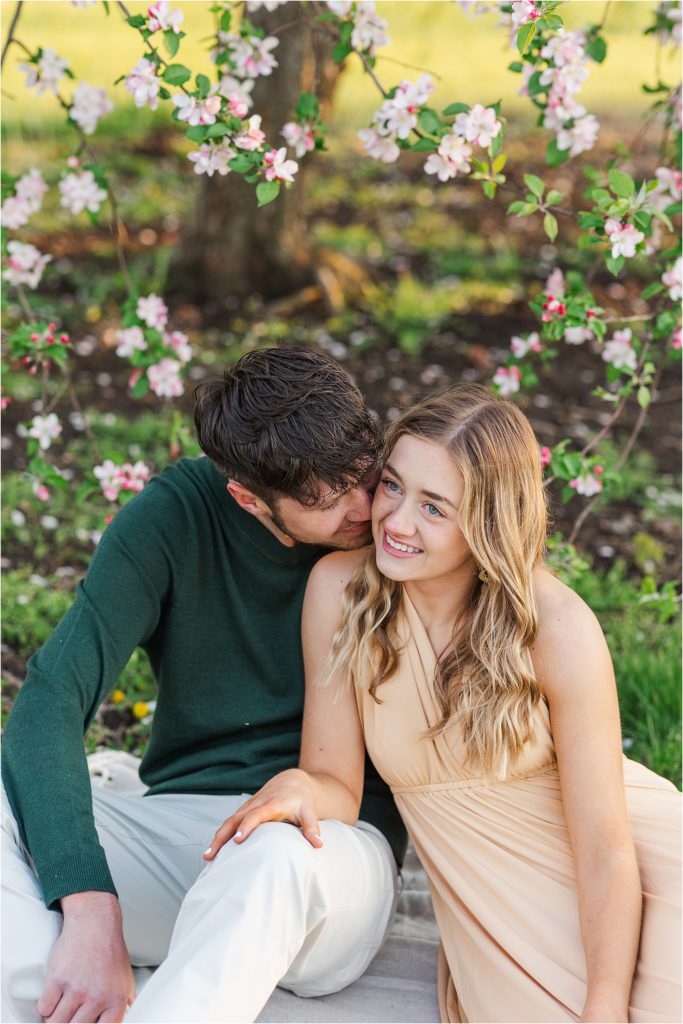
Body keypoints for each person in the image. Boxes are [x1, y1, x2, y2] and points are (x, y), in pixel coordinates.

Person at [207, 384, 682, 1024]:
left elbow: (607, 850)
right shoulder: (340, 591)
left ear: (487, 520)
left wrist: (604, 1007)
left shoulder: (555, 626)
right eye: (394, 486)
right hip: (497, 924)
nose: (397, 522)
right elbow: (336, 785)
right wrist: (299, 787)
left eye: (435, 508)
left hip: (633, 894)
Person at [2, 346, 407, 1024]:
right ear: (248, 498)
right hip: (189, 833)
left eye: (365, 476)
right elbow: (49, 700)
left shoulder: (403, 519)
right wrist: (90, 907)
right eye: (327, 500)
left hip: (330, 851)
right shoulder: (173, 519)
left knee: (275, 852)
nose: (368, 510)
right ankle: (66, 994)